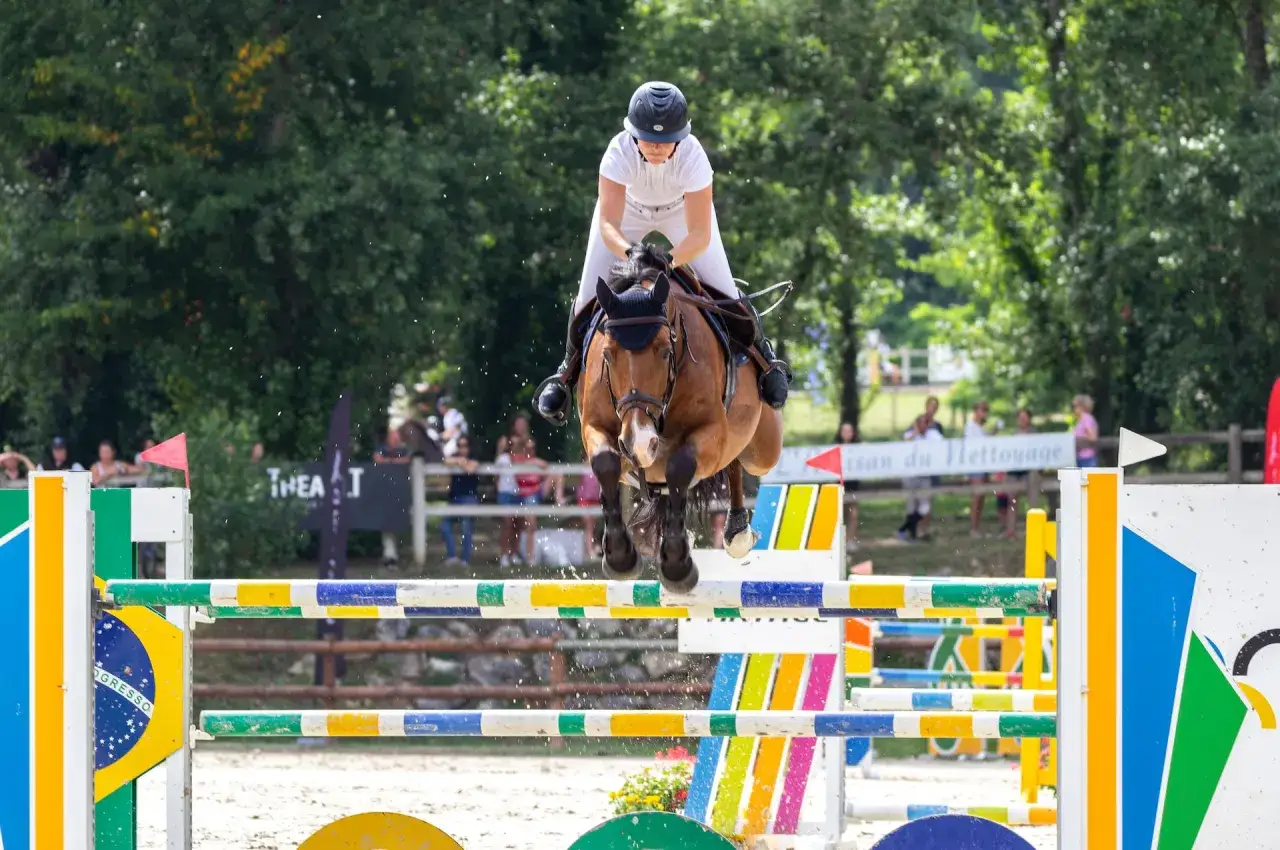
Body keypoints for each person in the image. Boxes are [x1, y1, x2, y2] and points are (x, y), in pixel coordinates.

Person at [533, 81, 791, 426]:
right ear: (633, 133)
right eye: (648, 139)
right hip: (628, 213)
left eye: (665, 140)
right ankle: (565, 372)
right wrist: (631, 253)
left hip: (681, 214)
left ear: (681, 136)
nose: (656, 148)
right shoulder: (618, 152)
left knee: (727, 293)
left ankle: (764, 359)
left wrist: (668, 259)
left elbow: (699, 234)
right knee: (585, 296)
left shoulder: (694, 157)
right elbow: (609, 223)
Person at [835, 422, 861, 551]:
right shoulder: (834, 448)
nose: (846, 433)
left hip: (853, 483)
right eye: (844, 431)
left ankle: (850, 540)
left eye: (849, 431)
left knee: (853, 513)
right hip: (840, 483)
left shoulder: (858, 448)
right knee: (839, 513)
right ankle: (838, 542)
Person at [1073, 394, 1100, 467]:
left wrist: (1079, 439)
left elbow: (1093, 437)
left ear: (1082, 407)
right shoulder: (1081, 420)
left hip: (1087, 457)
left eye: (1075, 406)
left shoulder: (1087, 419)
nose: (1074, 409)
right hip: (1081, 457)